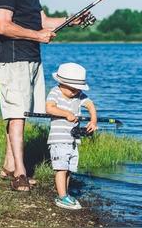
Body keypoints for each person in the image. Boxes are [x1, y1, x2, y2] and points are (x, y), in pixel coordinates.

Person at [0, 0, 87, 191]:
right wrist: (37, 36)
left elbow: (43, 23)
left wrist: (72, 20)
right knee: (17, 115)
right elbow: (3, 26)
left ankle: (8, 166)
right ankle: (20, 174)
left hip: (32, 57)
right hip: (13, 59)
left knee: (20, 113)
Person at [46, 63, 98, 209]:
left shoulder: (78, 95)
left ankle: (65, 194)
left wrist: (93, 120)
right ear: (61, 83)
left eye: (77, 89)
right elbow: (49, 108)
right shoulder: (55, 92)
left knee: (68, 168)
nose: (75, 92)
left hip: (73, 140)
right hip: (58, 139)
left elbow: (90, 105)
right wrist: (66, 114)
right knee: (61, 168)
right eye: (72, 89)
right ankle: (62, 197)